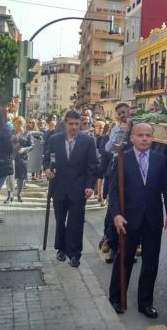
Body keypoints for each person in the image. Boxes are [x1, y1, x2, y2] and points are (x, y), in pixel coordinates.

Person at [108, 123, 167, 318]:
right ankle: (116, 298)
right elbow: (113, 190)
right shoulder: (121, 159)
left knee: (151, 262)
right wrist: (116, 214)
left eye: (148, 135)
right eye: (140, 135)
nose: (145, 138)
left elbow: (166, 189)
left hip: (153, 218)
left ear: (153, 138)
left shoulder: (160, 159)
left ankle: (145, 303)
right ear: (132, 138)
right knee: (124, 258)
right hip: (128, 218)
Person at [43, 110, 99, 267]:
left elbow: (92, 165)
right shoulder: (54, 139)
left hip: (78, 189)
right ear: (65, 123)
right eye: (71, 124)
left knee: (76, 223)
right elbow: (46, 159)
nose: (74, 127)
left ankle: (75, 254)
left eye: (77, 124)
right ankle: (61, 249)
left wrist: (90, 186)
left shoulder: (88, 141)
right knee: (60, 221)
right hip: (59, 187)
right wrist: (46, 170)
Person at [102, 102, 131, 264]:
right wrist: (117, 135)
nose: (122, 115)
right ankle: (112, 246)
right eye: (119, 113)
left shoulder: (135, 127)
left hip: (131, 167)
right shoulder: (116, 128)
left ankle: (129, 248)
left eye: (124, 112)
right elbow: (108, 148)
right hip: (116, 166)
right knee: (114, 208)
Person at [10, 116, 36, 203]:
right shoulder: (11, 132)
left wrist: (24, 149)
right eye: (15, 123)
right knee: (10, 177)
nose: (16, 125)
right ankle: (10, 195)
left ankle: (19, 194)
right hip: (12, 158)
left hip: (22, 158)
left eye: (17, 123)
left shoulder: (27, 133)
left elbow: (32, 145)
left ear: (22, 124)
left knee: (21, 177)